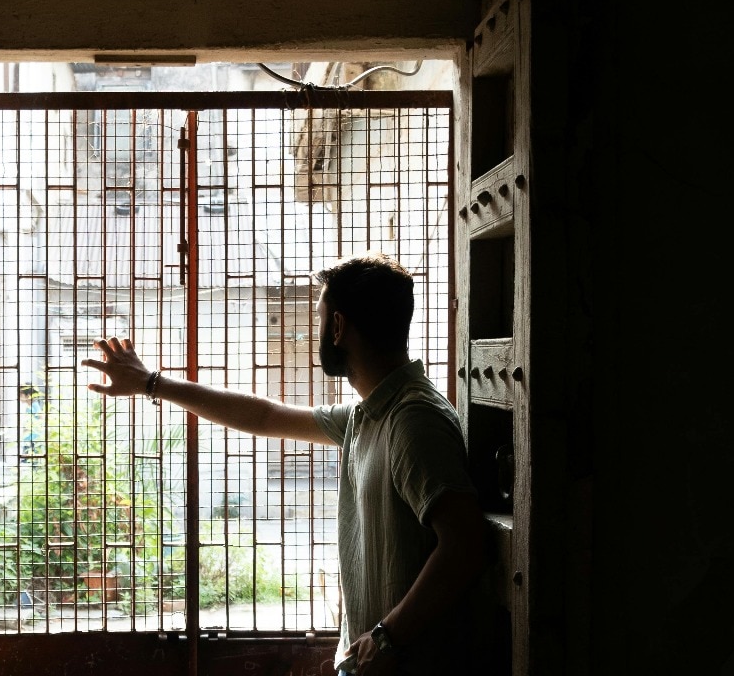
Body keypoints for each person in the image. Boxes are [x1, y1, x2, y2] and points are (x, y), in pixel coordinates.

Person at [80, 251, 489, 676]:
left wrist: (386, 637)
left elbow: (464, 544)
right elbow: (265, 416)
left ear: (337, 327)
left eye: (319, 318)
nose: (316, 332)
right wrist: (151, 383)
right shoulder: (370, 414)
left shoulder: (413, 419)